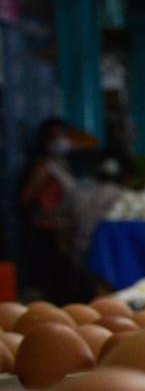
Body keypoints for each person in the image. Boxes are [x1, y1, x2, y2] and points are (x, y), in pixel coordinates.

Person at [17, 118, 87, 303]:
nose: (61, 141)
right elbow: (26, 198)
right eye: (55, 137)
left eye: (63, 136)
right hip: (48, 233)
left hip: (65, 231)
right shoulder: (44, 167)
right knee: (54, 286)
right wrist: (44, 210)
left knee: (66, 284)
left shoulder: (62, 164)